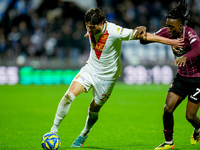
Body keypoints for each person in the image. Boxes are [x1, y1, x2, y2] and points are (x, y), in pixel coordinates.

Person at [50, 8, 184, 147]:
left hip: (107, 78)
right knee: (69, 96)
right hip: (90, 70)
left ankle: (85, 133)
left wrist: (171, 42)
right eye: (87, 26)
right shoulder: (92, 28)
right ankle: (53, 131)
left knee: (94, 108)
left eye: (92, 27)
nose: (89, 29)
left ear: (101, 24)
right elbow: (91, 30)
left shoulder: (115, 31)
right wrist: (89, 30)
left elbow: (144, 36)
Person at [140, 0, 200, 149]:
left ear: (181, 26)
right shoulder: (168, 33)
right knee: (167, 108)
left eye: (171, 27)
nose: (168, 29)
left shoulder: (190, 34)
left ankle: (198, 129)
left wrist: (186, 56)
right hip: (181, 78)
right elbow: (145, 40)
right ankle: (169, 143)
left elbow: (197, 48)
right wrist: (142, 33)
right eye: (167, 25)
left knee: (190, 116)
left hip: (197, 80)